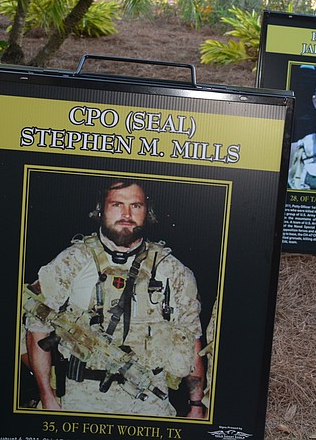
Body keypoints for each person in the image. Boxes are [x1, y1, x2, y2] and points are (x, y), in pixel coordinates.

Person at [23, 179, 206, 418]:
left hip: (150, 402)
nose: (127, 214)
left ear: (146, 212)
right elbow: (37, 329)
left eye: (136, 206)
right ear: (101, 210)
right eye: (117, 204)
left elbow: (191, 339)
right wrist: (47, 396)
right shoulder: (71, 262)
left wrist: (196, 405)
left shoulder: (173, 271)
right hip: (80, 399)